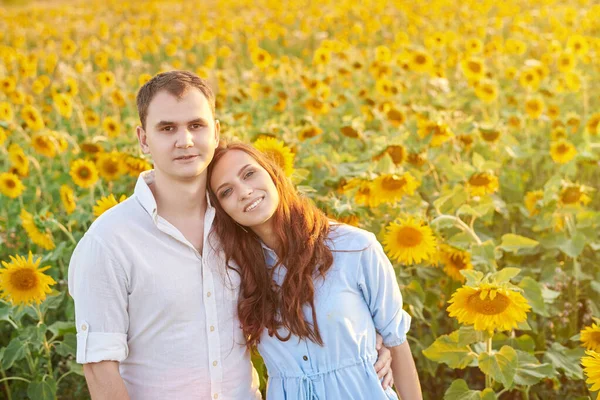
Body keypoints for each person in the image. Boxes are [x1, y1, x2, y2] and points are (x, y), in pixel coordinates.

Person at [68, 70, 393, 400]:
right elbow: (99, 365)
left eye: (196, 125)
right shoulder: (109, 241)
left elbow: (304, 292)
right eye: (167, 128)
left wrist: (367, 348)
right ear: (143, 139)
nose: (185, 141)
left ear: (216, 131)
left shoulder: (241, 222)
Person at [207, 141, 423, 400]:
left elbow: (396, 342)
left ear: (273, 173)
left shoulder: (354, 248)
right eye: (226, 191)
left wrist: (367, 346)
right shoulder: (233, 273)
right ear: (221, 210)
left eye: (249, 174)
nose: (244, 192)